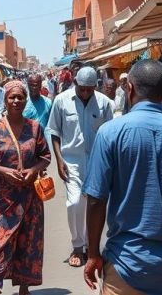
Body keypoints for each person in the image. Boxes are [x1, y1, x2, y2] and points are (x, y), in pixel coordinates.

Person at [84, 59, 162, 295]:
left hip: (125, 266)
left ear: (129, 88)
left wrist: (92, 254)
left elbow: (96, 200)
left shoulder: (110, 134)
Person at [0, 79, 52, 295]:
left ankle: (24, 286)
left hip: (30, 196)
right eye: (12, 97)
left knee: (29, 239)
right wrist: (4, 172)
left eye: (20, 97)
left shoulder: (35, 128)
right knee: (0, 238)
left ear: (25, 100)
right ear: (6, 100)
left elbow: (45, 157)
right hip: (3, 195)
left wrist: (33, 170)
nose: (16, 100)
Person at [47, 65, 114, 267]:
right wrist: (59, 160)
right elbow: (54, 132)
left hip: (97, 162)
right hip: (71, 162)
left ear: (96, 86)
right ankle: (77, 245)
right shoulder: (61, 101)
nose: (85, 93)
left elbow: (111, 133)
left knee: (95, 205)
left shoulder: (104, 103)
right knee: (75, 203)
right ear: (75, 83)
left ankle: (90, 246)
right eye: (82, 88)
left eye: (89, 89)